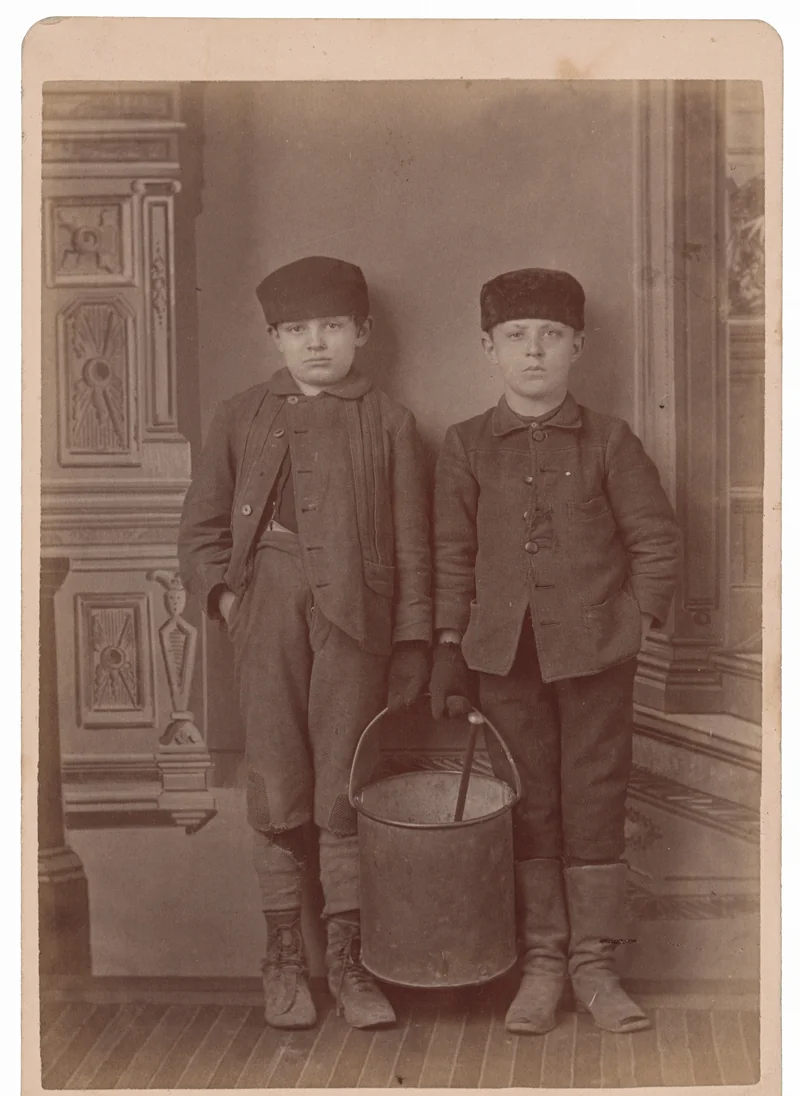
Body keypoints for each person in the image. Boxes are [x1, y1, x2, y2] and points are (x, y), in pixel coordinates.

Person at [178, 256, 432, 1030]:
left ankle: (351, 963)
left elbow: (414, 545)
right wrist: (228, 599)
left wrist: (412, 641)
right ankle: (284, 959)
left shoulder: (390, 421)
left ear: (362, 332)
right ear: (275, 338)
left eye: (331, 327)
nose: (315, 343)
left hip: (357, 619)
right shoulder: (240, 415)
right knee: (276, 779)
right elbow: (201, 529)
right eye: (296, 330)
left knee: (344, 784)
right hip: (265, 615)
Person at [430, 267, 680, 1036]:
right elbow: (452, 555)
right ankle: (542, 964)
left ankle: (595, 969)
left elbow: (656, 539)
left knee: (596, 801)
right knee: (530, 804)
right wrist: (450, 648)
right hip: (505, 663)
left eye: (550, 336)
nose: (533, 351)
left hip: (597, 659)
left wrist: (633, 620)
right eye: (516, 337)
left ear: (579, 345)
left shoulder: (610, 440)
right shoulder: (467, 445)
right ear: (489, 347)